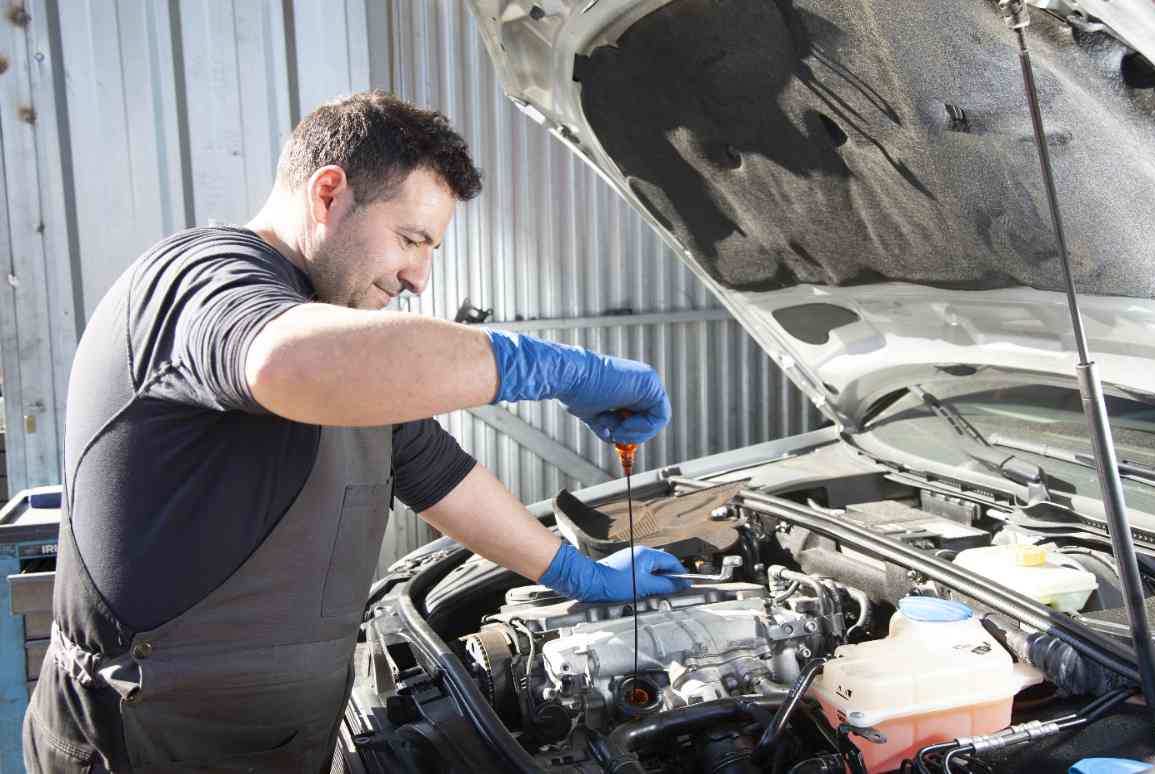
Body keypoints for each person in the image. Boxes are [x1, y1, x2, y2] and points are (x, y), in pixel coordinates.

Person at [23, 91, 687, 774]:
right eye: (411, 240)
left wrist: (577, 573)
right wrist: (553, 368)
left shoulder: (340, 347)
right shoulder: (203, 280)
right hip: (146, 744)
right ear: (329, 192)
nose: (418, 278)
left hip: (272, 743)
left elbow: (442, 478)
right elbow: (282, 360)